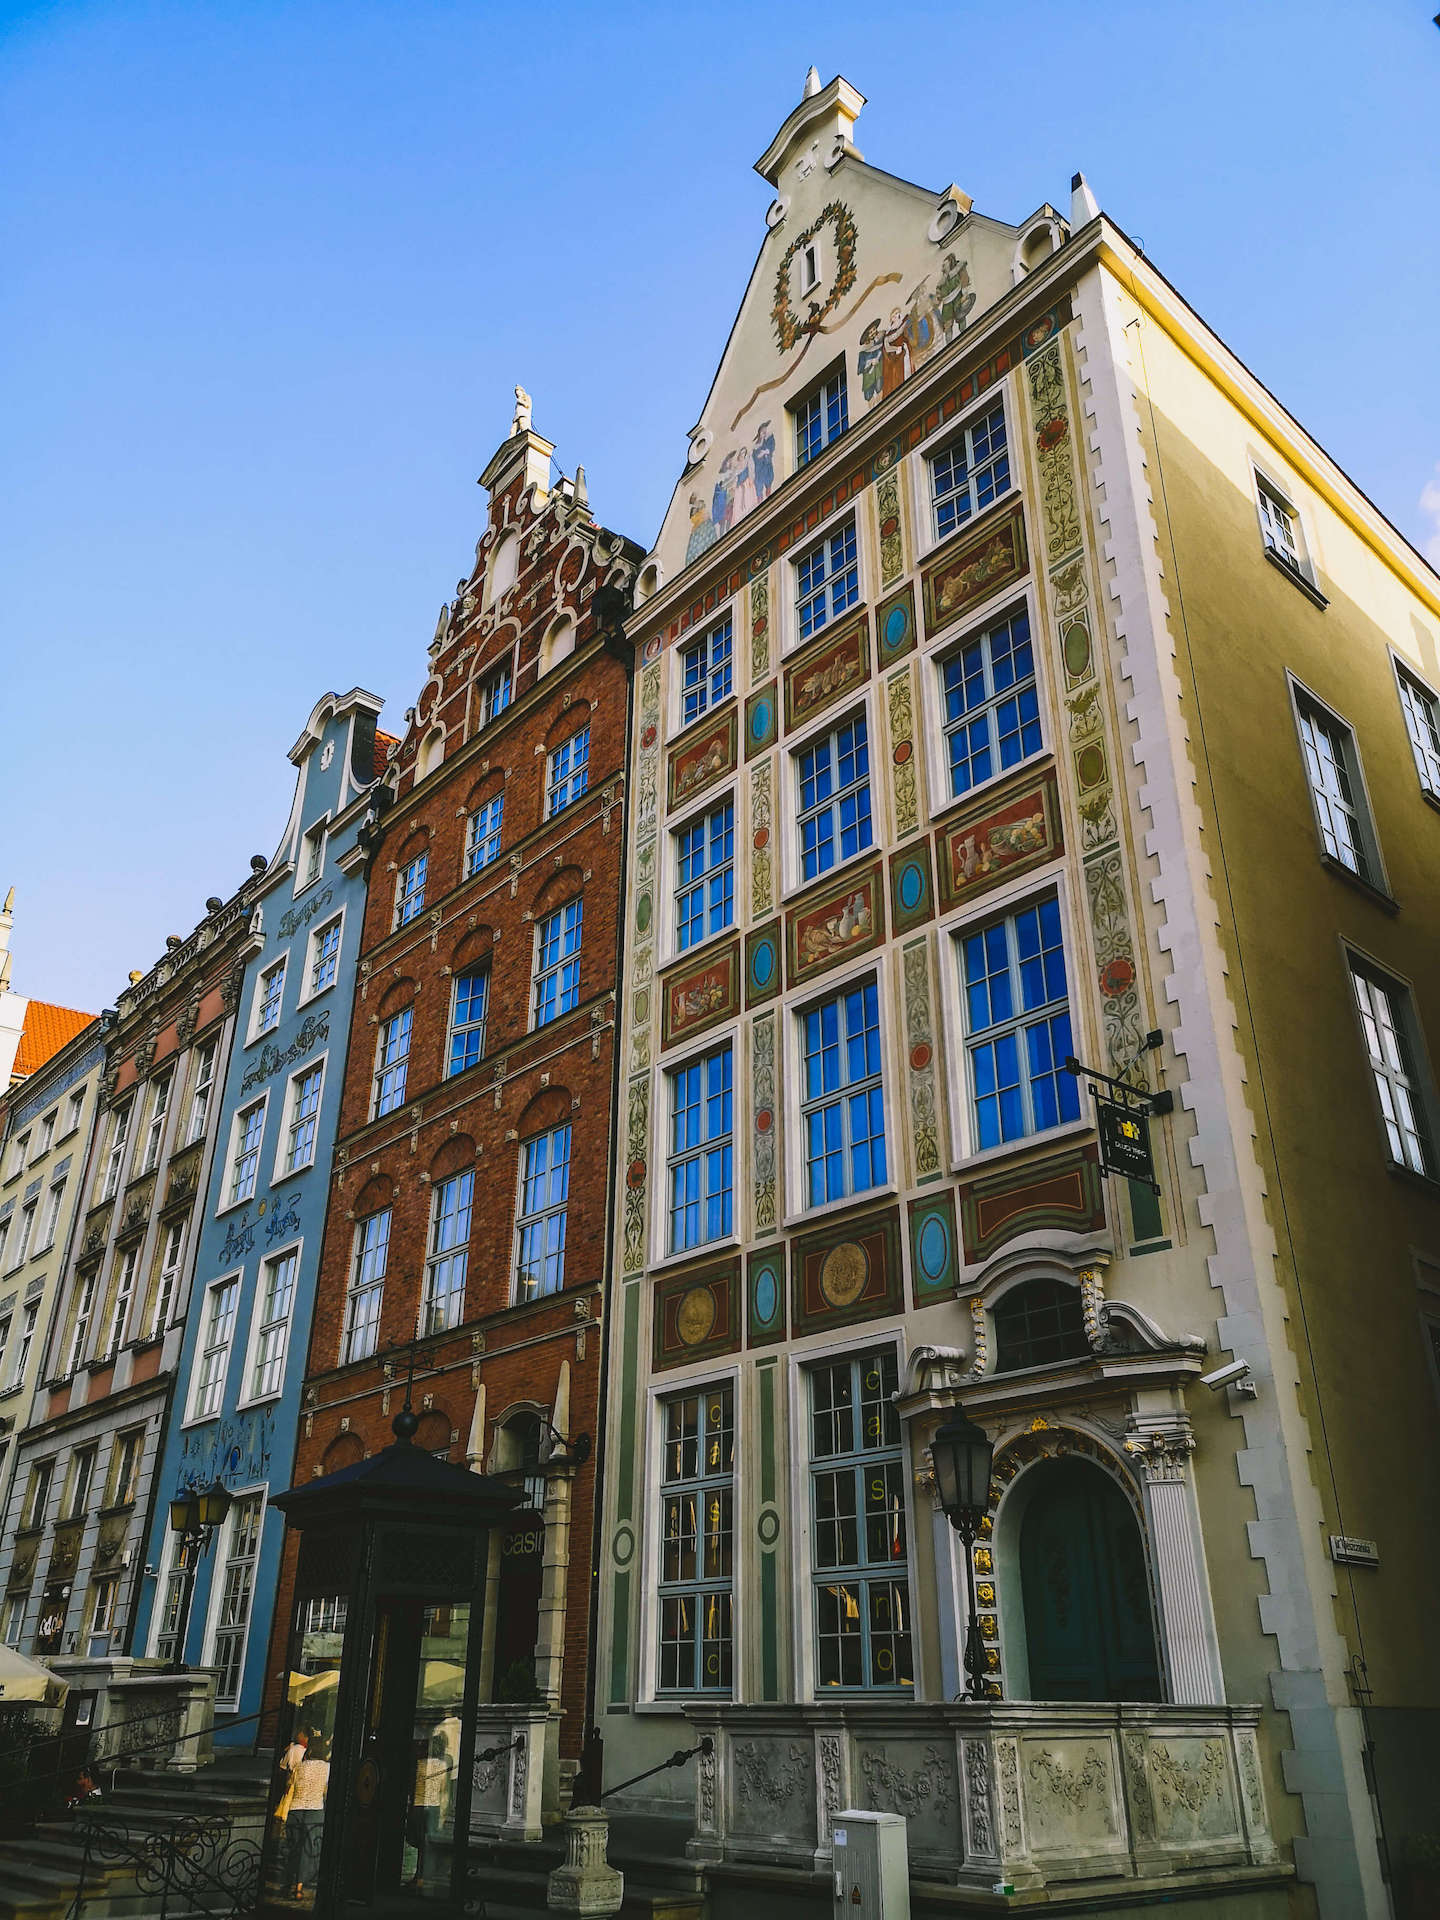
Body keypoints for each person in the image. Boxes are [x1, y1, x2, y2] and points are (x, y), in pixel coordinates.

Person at [285, 1730, 330, 1899]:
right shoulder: (326, 1768)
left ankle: (291, 1883)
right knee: (309, 1849)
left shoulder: (299, 1767)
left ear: (309, 1751)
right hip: (315, 1808)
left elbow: (290, 1785)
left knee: (294, 1848)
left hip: (295, 1809)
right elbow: (326, 1791)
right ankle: (299, 1886)